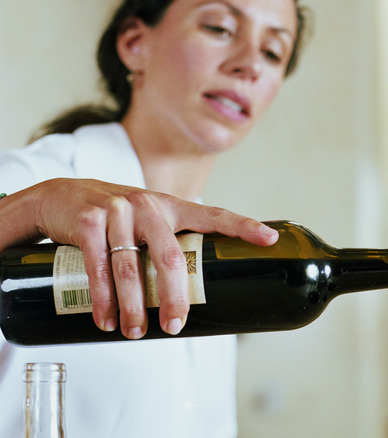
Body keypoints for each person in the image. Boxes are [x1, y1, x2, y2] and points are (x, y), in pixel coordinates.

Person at [0, 0, 308, 436]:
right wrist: (33, 208)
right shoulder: (31, 184)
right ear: (135, 44)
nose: (250, 64)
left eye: (273, 52)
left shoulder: (219, 252)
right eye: (220, 27)